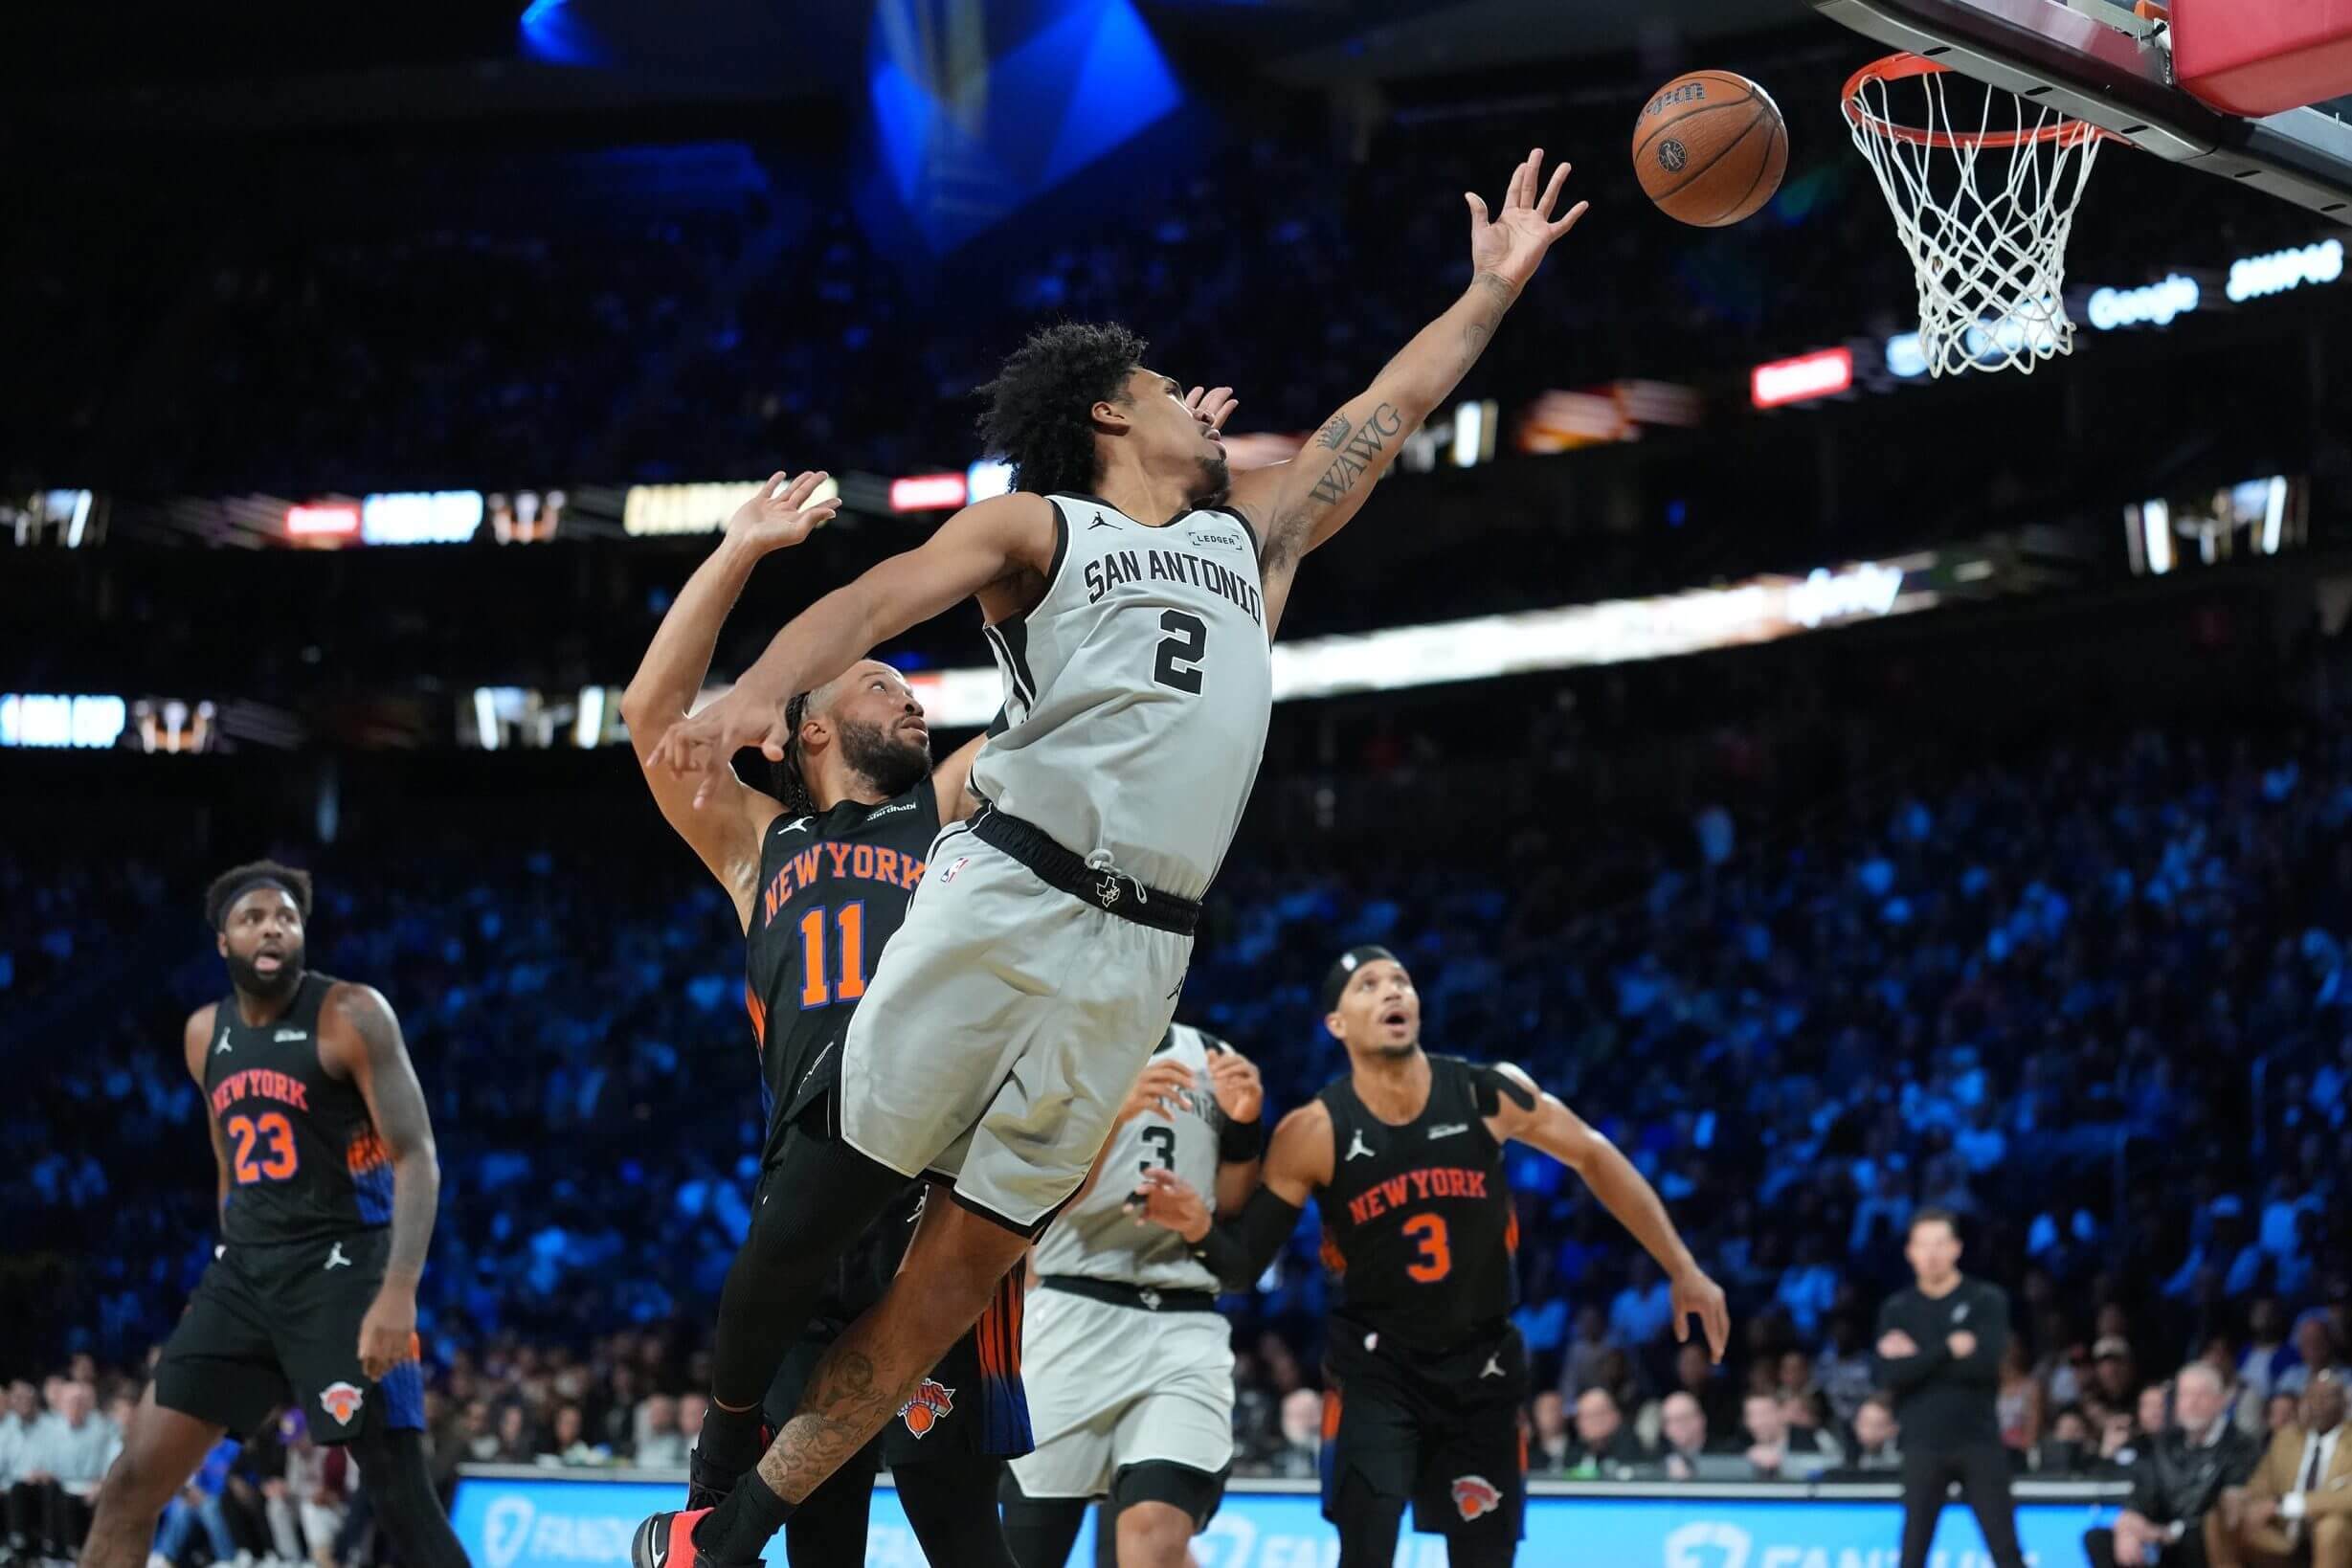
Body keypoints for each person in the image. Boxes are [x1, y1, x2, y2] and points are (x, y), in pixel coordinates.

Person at [635, 146, 1593, 1568]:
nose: (1203, 407)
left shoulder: (1247, 545)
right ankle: (718, 1471)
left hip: (1143, 952)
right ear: (1106, 411)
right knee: (817, 1202)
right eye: (1164, 392)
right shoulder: (1044, 524)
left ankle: (724, 1540)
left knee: (945, 1287)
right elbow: (882, 593)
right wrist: (760, 687)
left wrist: (1489, 292)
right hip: (1006, 892)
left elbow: (1376, 420)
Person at [618, 470, 1057, 1565]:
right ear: (802, 728)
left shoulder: (947, 803)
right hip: (807, 1218)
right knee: (820, 1545)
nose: (911, 698)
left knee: (966, 1537)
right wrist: (740, 550)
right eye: (879, 681)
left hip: (928, 1224)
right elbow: (652, 718)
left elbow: (1054, 707)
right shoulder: (756, 843)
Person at [1133, 946, 1727, 1566]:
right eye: (1368, 985)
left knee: (1485, 1558)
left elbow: (1593, 1154)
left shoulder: (1485, 1093)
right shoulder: (1312, 1131)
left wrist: (1682, 1268)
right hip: (1374, 1374)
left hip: (1482, 1369)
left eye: (1400, 981)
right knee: (1364, 1554)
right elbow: (1241, 1266)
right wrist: (1199, 1226)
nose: (1392, 992)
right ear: (1336, 1023)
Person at [81, 863, 466, 1568]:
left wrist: (398, 1290)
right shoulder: (204, 1034)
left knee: (400, 1500)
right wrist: (233, 1257)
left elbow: (417, 1157)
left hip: (342, 1272)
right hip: (244, 1275)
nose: (271, 928)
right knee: (129, 1487)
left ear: (301, 936)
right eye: (253, 917)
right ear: (223, 941)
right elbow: (227, 1160)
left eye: (285, 918)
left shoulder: (351, 1013)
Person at [1000, 1024, 1266, 1568]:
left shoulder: (1216, 1057)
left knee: (1155, 1537)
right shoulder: (1058, 1043)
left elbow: (1233, 1205)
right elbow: (1027, 1201)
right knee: (1025, 1553)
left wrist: (1245, 1129)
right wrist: (1112, 1117)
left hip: (1182, 1319)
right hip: (1073, 1313)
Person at [1875, 1208, 2027, 1568]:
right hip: (1922, 1445)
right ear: (1910, 1251)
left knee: (2006, 1552)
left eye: (1940, 1244)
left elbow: (1984, 1365)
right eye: (1923, 1245)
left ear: (1956, 1248)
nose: (1931, 1254)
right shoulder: (1897, 1308)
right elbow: (1889, 1375)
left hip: (1979, 1442)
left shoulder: (1986, 1300)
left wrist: (1918, 1356)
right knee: (1912, 1554)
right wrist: (1948, 1348)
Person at [2084, 1362, 2258, 1568]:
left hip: (2205, 1543)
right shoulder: (2166, 1442)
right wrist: (2129, 1525)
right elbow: (2143, 1492)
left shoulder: (2239, 1446)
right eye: (2185, 1394)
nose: (2192, 1403)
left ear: (2220, 1401)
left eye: (2201, 1394)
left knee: (2195, 1540)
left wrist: (2167, 1532)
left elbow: (2221, 1512)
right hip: (2163, 1539)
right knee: (2099, 1538)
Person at [2208, 1372, 2349, 1568]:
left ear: (2344, 1404)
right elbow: (2261, 1483)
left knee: (2332, 1527)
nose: (2317, 1404)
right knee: (2217, 1515)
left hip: (2333, 1538)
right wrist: (2241, 1497)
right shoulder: (2286, 1438)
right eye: (2311, 1396)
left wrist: (2282, 1504)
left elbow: (2347, 1497)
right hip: (2285, 1535)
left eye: (2327, 1397)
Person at [5, 1380, 118, 1560]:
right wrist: (40, 1473)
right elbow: (44, 1463)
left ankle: (69, 1554)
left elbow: (110, 1462)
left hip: (88, 1487)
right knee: (22, 1488)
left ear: (87, 1405)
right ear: (62, 1405)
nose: (75, 1407)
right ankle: (21, 1546)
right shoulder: (54, 1429)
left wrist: (101, 1483)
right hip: (57, 1486)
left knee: (63, 1497)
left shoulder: (101, 1430)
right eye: (71, 1402)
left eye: (80, 1403)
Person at [1740, 1391, 1841, 1480]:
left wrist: (1782, 1461)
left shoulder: (1814, 1436)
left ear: (1782, 1413)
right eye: (1751, 1415)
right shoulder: (1739, 1442)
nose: (1758, 1422)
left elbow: (1835, 1467)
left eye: (1764, 1414)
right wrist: (1746, 1459)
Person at [1564, 1389, 1648, 1475]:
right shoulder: (1575, 1450)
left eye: (1594, 1415)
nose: (1581, 1423)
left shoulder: (1629, 1446)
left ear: (1614, 1415)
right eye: (1581, 1417)